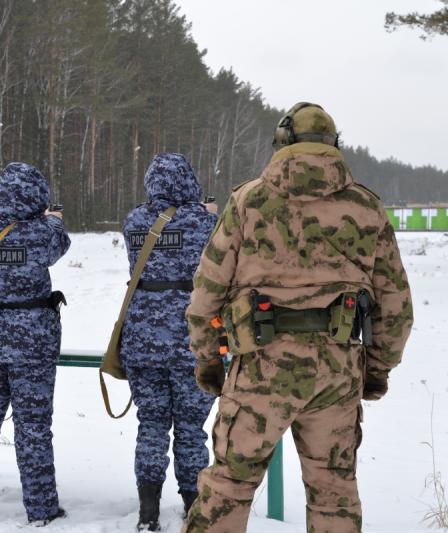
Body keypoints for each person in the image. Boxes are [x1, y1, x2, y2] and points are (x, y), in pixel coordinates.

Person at [181, 103, 413, 533]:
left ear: (282, 144)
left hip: (259, 371)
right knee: (334, 495)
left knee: (229, 488)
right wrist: (376, 370)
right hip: (337, 372)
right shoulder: (366, 208)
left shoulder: (248, 201)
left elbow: (206, 296)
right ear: (334, 145)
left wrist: (209, 361)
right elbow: (396, 307)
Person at [0, 162, 70, 525]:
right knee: (33, 426)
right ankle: (40, 507)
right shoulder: (42, 233)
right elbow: (60, 242)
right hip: (32, 340)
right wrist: (53, 217)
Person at [120, 153, 217, 531]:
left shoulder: (134, 221)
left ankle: (148, 512)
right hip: (191, 340)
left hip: (142, 340)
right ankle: (194, 507)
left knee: (152, 425)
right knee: (192, 427)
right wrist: (205, 213)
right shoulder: (205, 222)